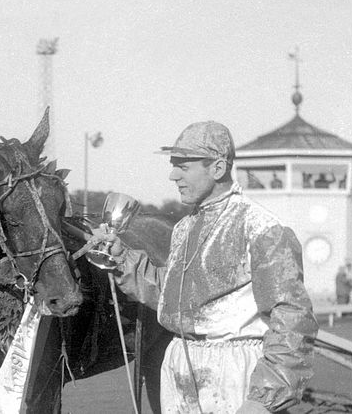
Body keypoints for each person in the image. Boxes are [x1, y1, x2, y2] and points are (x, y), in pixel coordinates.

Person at [92, 121, 318, 413]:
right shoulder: (184, 228)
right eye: (174, 166)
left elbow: (292, 316)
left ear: (218, 168)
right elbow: (170, 296)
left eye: (183, 167)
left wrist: (264, 397)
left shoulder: (261, 228)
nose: (173, 176)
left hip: (235, 371)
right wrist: (121, 258)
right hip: (180, 365)